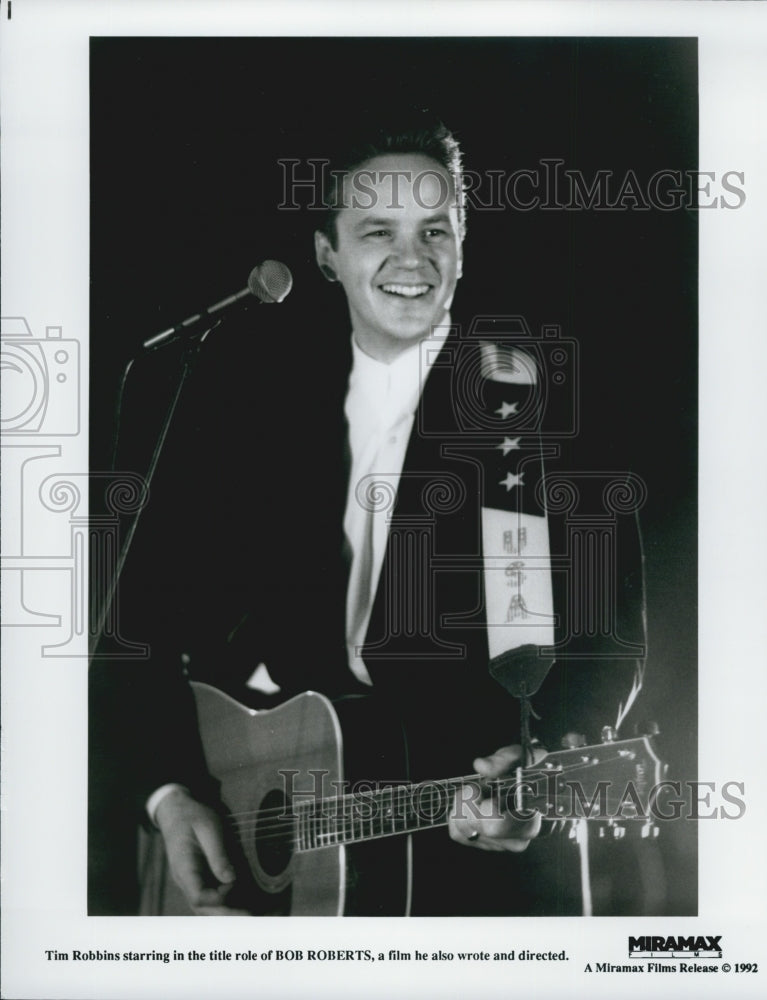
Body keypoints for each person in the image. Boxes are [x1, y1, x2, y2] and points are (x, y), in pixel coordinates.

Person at [91, 117, 646, 916]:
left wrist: (539, 759)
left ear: (464, 246)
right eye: (377, 231)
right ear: (327, 255)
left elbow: (602, 638)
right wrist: (169, 793)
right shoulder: (263, 413)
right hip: (285, 866)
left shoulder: (533, 403)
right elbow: (138, 623)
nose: (411, 260)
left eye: (435, 232)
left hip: (478, 872)